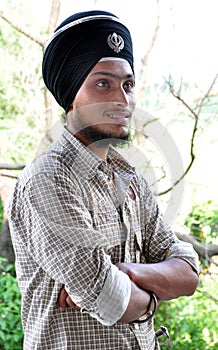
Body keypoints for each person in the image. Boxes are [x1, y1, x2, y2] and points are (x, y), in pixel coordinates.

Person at [8, 10, 199, 350]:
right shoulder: (48, 182)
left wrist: (126, 272)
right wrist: (153, 293)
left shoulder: (131, 180)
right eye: (102, 84)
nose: (122, 100)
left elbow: (187, 272)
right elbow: (113, 300)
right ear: (71, 94)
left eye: (128, 85)